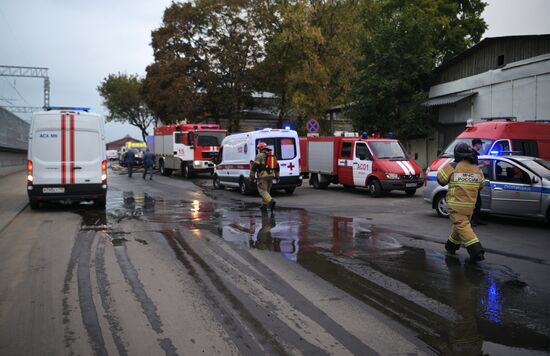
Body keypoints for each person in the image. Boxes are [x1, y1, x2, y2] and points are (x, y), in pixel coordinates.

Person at [437, 142, 486, 263]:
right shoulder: (477, 169)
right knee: (460, 226)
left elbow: (440, 179)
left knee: (463, 227)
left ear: (457, 154)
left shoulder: (453, 166)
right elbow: (481, 185)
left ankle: (476, 252)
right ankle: (451, 246)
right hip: (470, 206)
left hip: (456, 205)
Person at [249, 142, 280, 211]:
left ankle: (271, 201)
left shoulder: (259, 155)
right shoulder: (272, 155)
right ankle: (264, 205)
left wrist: (252, 176)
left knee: (262, 190)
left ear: (260, 148)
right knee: (267, 191)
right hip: (271, 175)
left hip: (263, 175)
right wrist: (277, 176)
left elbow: (255, 167)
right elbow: (277, 167)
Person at [471, 138, 488, 226]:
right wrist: (484, 165)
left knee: (478, 202)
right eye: (480, 144)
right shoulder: (472, 154)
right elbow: (473, 168)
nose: (481, 146)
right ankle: (474, 220)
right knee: (477, 202)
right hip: (472, 182)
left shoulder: (474, 154)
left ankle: (476, 219)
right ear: (476, 144)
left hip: (475, 182)